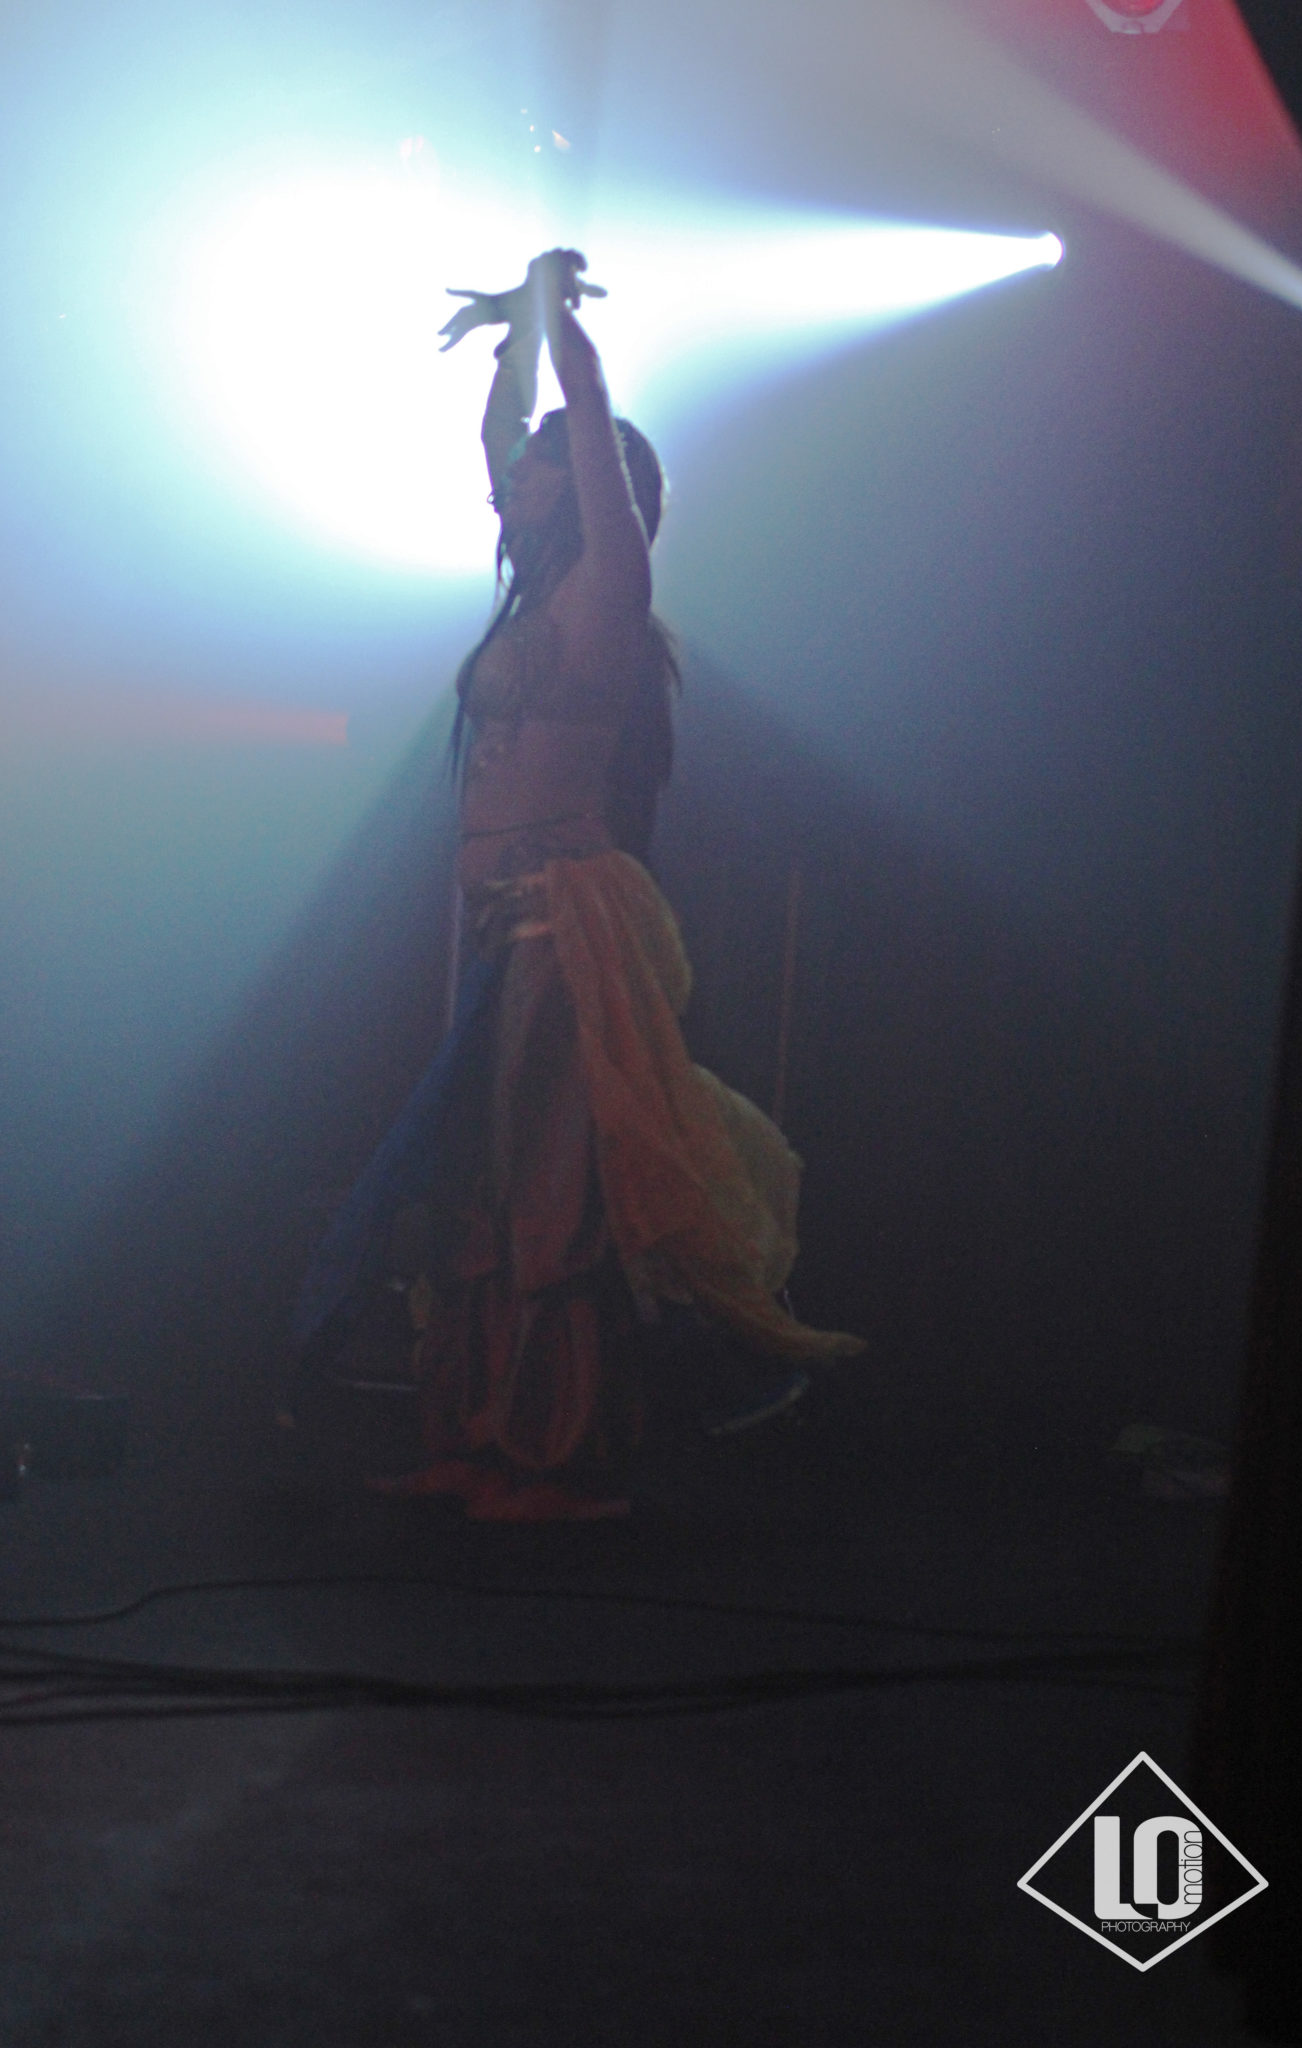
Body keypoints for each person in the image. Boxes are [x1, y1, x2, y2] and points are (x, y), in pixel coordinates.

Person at [291, 249, 862, 1520]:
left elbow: (587, 427)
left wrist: (559, 325)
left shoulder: (608, 588)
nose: (524, 473)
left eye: (547, 462)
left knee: (548, 1196)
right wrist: (509, 344)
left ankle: (560, 1456)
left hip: (562, 921)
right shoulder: (535, 591)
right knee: (474, 1190)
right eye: (530, 463)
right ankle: (479, 1433)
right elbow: (497, 443)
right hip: (491, 922)